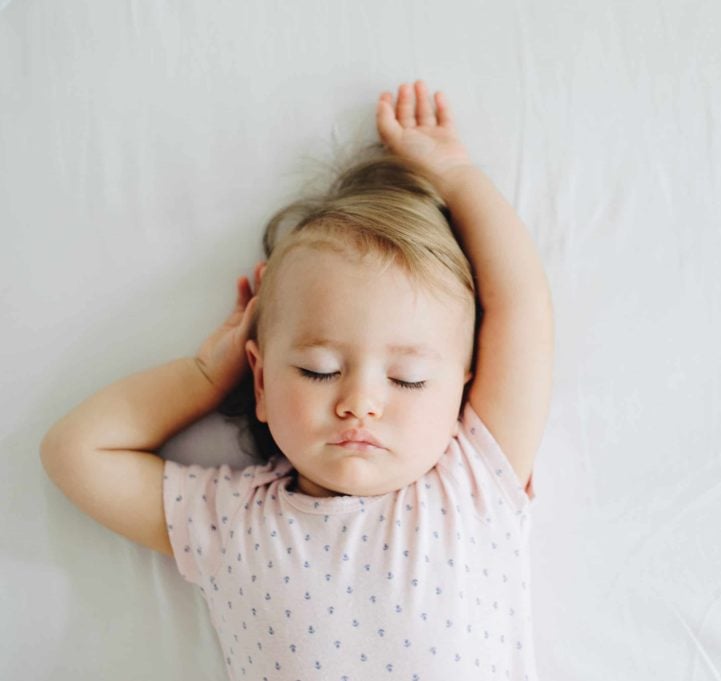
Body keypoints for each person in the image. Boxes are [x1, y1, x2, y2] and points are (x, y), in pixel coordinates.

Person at [39, 80, 554, 680]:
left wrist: (456, 176)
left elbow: (521, 307)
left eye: (408, 378)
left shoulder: (473, 486)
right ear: (260, 383)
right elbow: (75, 452)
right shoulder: (232, 525)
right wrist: (205, 375)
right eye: (320, 370)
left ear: (462, 389)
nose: (360, 402)